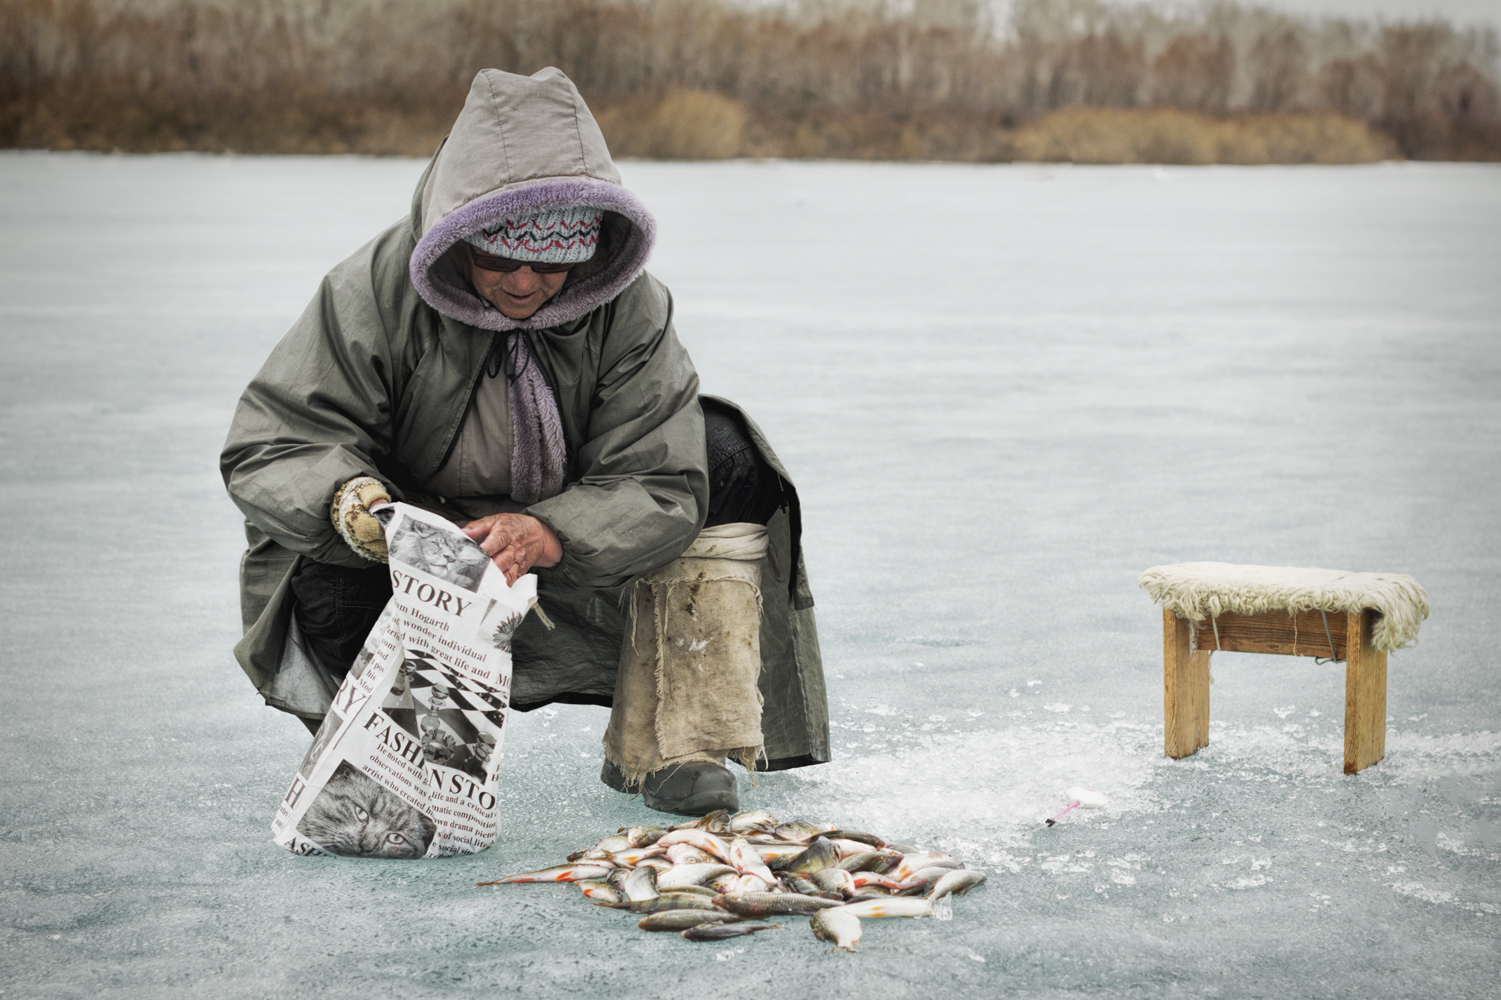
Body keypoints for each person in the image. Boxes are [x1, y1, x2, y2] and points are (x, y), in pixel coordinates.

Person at [221, 67, 829, 815]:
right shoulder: (371, 291)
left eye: (550, 263)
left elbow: (662, 480)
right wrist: (357, 505)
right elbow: (276, 442)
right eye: (497, 260)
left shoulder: (632, 309)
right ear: (456, 239)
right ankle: (387, 757)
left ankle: (675, 743)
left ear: (591, 251)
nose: (521, 284)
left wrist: (550, 529)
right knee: (313, 543)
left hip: (567, 537)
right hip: (418, 542)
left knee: (725, 452)